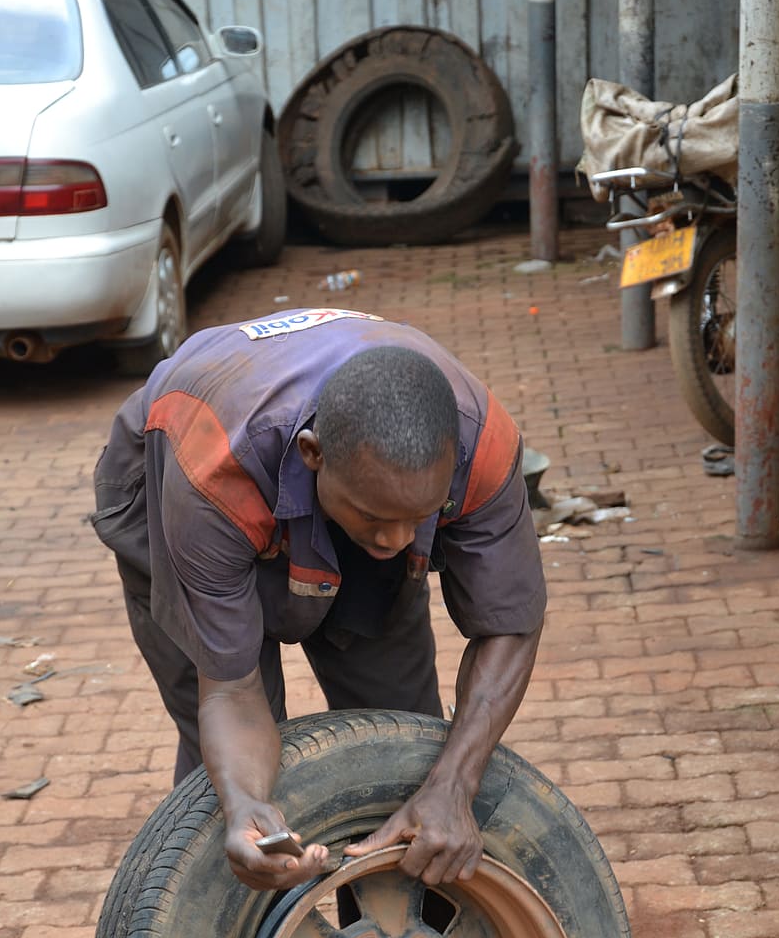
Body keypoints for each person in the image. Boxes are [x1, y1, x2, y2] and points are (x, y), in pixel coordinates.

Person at [93, 307, 546, 893]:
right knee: (231, 793)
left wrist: (454, 784)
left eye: (423, 516)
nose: (399, 542)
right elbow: (229, 689)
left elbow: (512, 623)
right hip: (181, 481)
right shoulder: (213, 473)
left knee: (405, 735)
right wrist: (244, 805)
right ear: (314, 453)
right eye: (379, 518)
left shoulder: (479, 445)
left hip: (336, 485)